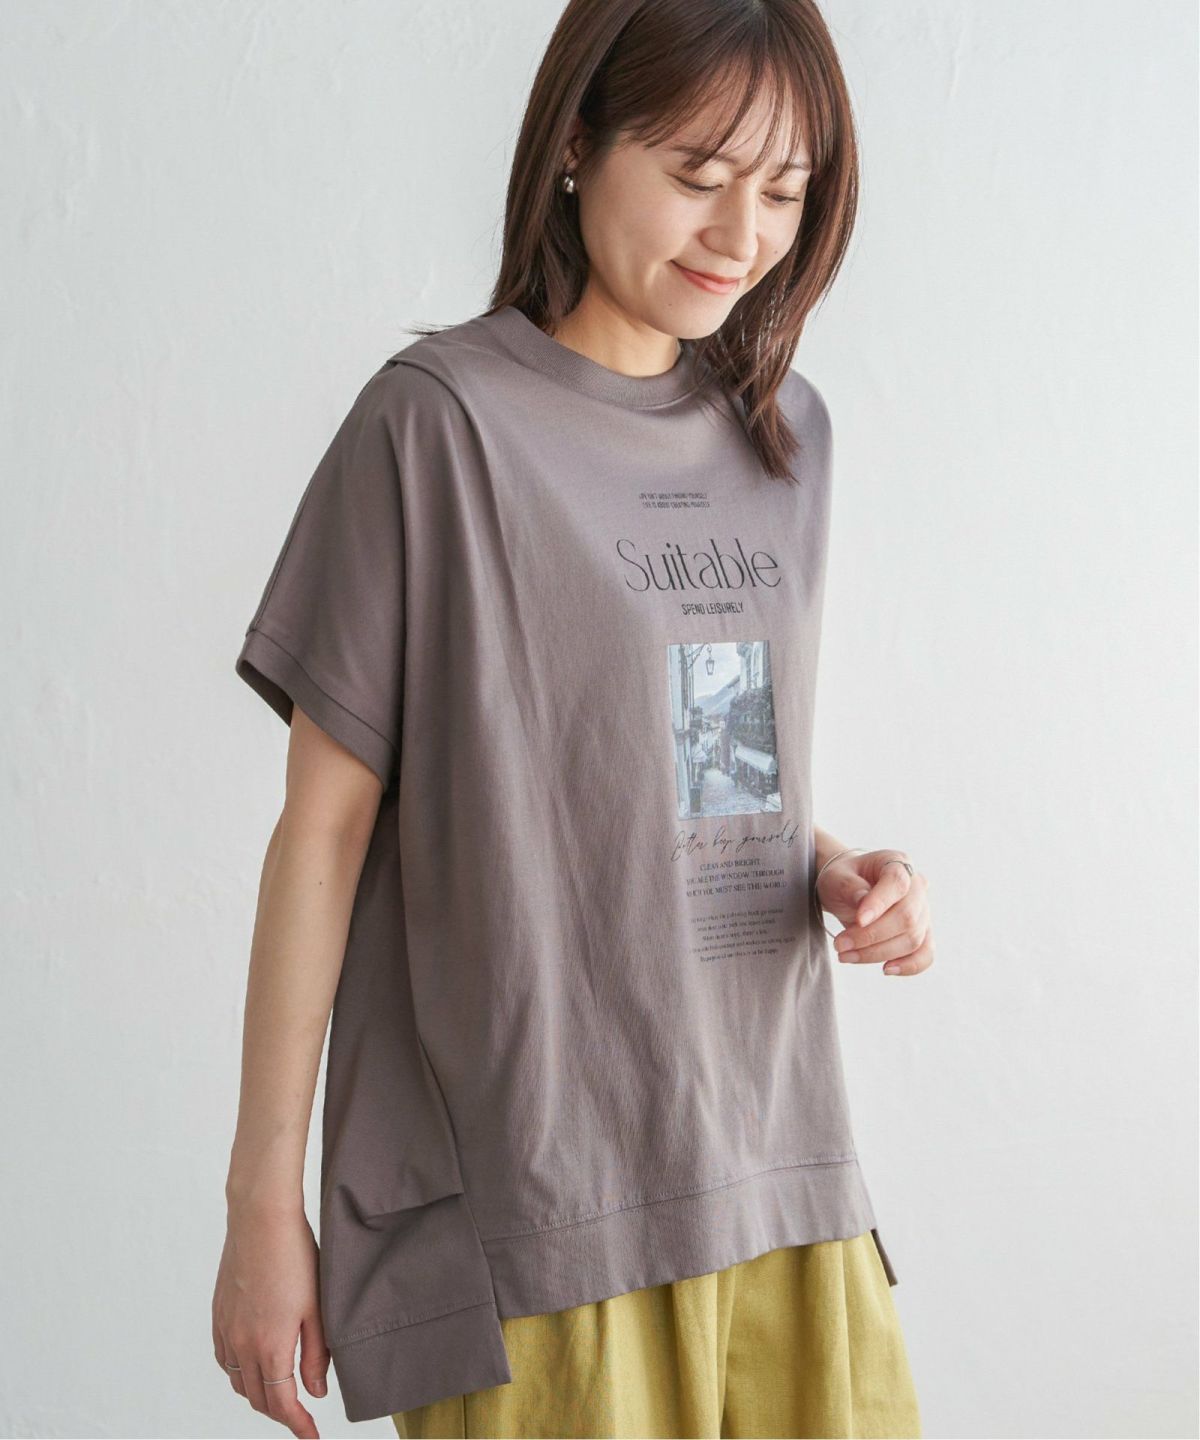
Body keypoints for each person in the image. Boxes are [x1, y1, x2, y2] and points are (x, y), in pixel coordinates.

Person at [213, 1, 935, 1436]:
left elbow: (693, 769)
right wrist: (259, 1207)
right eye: (697, 173)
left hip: (777, 1168)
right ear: (575, 145)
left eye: (784, 190)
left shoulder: (784, 437)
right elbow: (323, 836)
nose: (741, 233)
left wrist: (830, 865)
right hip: (545, 1210)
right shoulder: (438, 426)